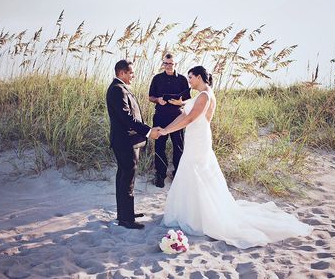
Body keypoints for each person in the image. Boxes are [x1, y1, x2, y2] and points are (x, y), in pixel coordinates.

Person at [159, 66, 313, 248]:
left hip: (199, 139)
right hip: (194, 138)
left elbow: (191, 118)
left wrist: (167, 130)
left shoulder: (205, 96)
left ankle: (201, 216)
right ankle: (189, 212)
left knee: (197, 172)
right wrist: (164, 129)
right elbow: (183, 115)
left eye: (191, 77)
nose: (189, 81)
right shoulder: (202, 94)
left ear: (199, 77)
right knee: (191, 171)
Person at [106, 59, 161, 229]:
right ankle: (126, 219)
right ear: (121, 73)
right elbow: (126, 118)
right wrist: (148, 131)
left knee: (124, 178)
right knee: (126, 179)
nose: (133, 75)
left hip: (128, 141)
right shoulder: (117, 90)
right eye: (130, 72)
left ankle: (125, 213)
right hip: (124, 142)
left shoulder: (121, 88)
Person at [149, 53, 191, 188]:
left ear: (175, 64)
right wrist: (158, 100)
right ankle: (160, 175)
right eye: (165, 63)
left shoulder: (183, 80)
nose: (167, 66)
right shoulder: (157, 78)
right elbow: (151, 97)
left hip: (177, 117)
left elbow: (188, 99)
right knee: (159, 146)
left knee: (178, 147)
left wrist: (180, 103)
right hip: (160, 116)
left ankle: (177, 174)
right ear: (163, 64)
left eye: (170, 63)